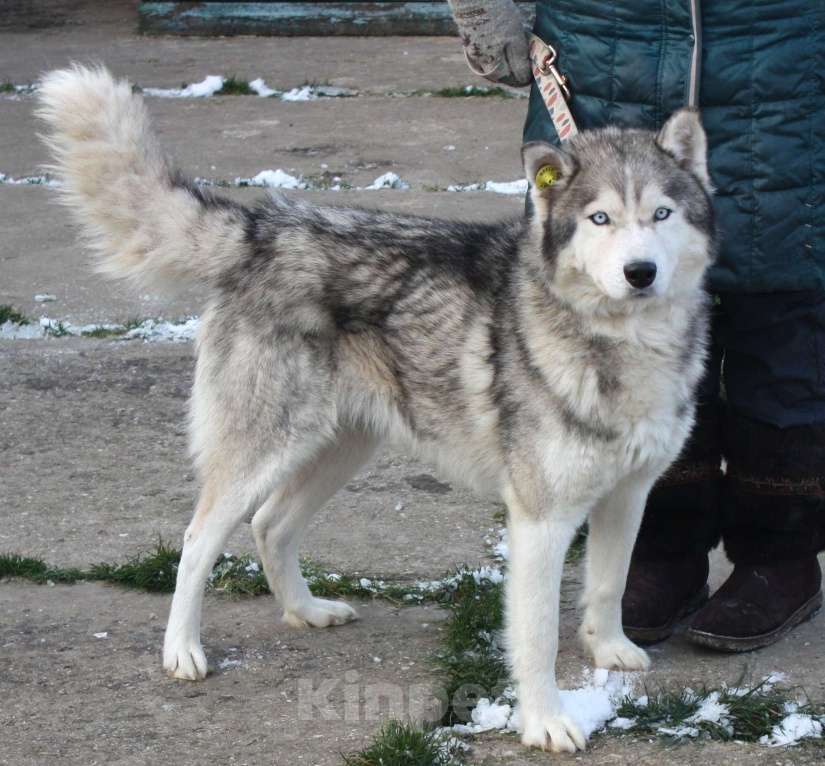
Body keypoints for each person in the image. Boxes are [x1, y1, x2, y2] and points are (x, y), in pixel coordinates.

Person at [448, 0, 825, 651]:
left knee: (785, 342)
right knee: (618, 350)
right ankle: (658, 553)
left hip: (784, 65)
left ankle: (779, 557)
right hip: (606, 55)